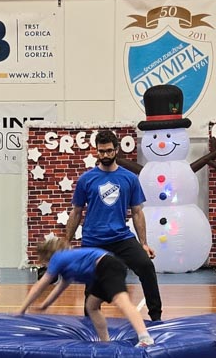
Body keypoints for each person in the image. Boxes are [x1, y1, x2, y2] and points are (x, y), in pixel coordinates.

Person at [63, 129, 163, 322]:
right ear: (96, 151)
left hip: (121, 237)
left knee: (146, 266)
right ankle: (90, 323)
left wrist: (143, 243)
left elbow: (137, 212)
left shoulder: (130, 179)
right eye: (101, 151)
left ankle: (156, 317)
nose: (105, 155)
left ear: (116, 149)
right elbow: (76, 212)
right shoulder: (86, 179)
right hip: (93, 240)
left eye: (109, 150)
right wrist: (66, 241)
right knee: (92, 283)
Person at [18, 236, 155, 347]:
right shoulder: (67, 265)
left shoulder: (57, 258)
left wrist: (22, 309)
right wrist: (45, 305)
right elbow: (60, 288)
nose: (45, 265)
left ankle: (145, 338)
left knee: (121, 301)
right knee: (91, 306)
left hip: (107, 265)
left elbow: (39, 285)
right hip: (103, 270)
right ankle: (105, 342)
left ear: (47, 256)